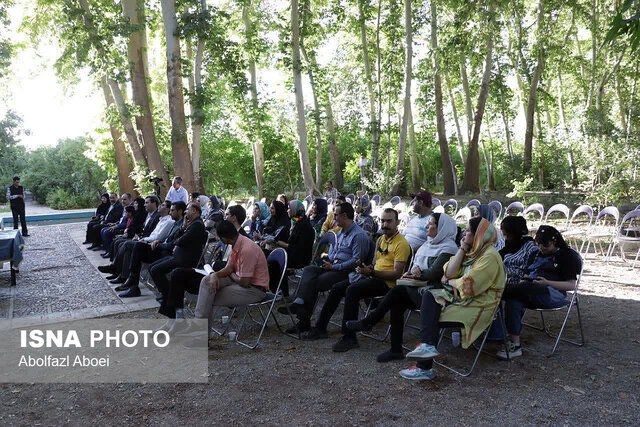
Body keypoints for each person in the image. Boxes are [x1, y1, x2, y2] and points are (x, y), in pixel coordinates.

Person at [398, 217, 505, 380]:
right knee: (429, 295)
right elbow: (448, 272)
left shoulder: (489, 256)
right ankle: (426, 354)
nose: (464, 233)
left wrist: (449, 281)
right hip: (462, 299)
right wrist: (462, 248)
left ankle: (424, 368)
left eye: (468, 230)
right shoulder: (472, 252)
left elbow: (468, 285)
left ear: (479, 235)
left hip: (479, 304)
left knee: (431, 317)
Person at [346, 213, 458, 362]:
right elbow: (416, 268)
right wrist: (412, 274)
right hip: (418, 289)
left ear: (443, 228)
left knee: (397, 292)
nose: (427, 226)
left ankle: (369, 322)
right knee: (397, 300)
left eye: (431, 224)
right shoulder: (428, 244)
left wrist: (418, 273)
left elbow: (433, 273)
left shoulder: (449, 248)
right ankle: (395, 349)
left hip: (434, 296)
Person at [303, 208, 410, 353]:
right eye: (383, 221)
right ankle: (321, 327)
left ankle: (349, 337)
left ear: (397, 222)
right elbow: (375, 263)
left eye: (389, 221)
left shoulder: (402, 244)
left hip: (387, 284)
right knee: (337, 288)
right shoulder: (380, 239)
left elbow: (396, 274)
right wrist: (366, 269)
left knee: (352, 290)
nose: (385, 224)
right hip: (374, 276)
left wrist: (372, 272)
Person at [169, 220, 269, 341]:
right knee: (207, 281)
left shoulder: (247, 249)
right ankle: (198, 326)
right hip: (239, 280)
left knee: (208, 296)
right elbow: (230, 267)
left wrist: (231, 274)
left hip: (254, 289)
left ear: (223, 238)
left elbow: (244, 282)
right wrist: (215, 275)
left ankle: (201, 337)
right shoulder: (237, 241)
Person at [277, 202, 369, 333]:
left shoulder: (358, 235)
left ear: (344, 215)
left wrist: (335, 266)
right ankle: (299, 303)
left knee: (315, 282)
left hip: (346, 271)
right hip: (333, 265)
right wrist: (328, 258)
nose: (334, 218)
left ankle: (303, 319)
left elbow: (356, 261)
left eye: (336, 215)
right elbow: (335, 251)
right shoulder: (341, 232)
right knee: (309, 270)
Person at [497, 225, 580, 359]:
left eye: (545, 245)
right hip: (529, 290)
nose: (541, 248)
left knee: (515, 291)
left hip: (552, 293)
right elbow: (526, 275)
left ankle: (496, 292)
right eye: (539, 244)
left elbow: (571, 285)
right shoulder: (535, 253)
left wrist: (547, 283)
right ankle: (515, 345)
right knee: (513, 301)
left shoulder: (566, 255)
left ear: (554, 242)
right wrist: (524, 280)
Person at [160, 206, 250, 321]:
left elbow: (239, 269)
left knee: (183, 280)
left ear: (234, 218)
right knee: (177, 273)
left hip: (224, 278)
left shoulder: (244, 240)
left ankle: (176, 321)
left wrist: (216, 267)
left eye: (227, 214)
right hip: (215, 273)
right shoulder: (226, 235)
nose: (224, 217)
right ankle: (177, 317)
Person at [102, 201, 186, 292]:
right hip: (156, 246)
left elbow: (170, 243)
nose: (170, 213)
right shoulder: (174, 222)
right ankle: (128, 279)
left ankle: (126, 277)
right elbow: (163, 238)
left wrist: (156, 243)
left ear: (180, 211)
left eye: (172, 210)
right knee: (132, 246)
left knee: (133, 246)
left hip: (163, 251)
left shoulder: (175, 223)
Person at [141, 202, 208, 300]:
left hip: (184, 259)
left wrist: (177, 240)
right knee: (152, 267)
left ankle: (169, 296)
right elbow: (177, 238)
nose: (185, 212)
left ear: (194, 211)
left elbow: (180, 241)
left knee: (156, 270)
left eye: (187, 209)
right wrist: (183, 228)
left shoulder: (197, 225)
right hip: (178, 256)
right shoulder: (192, 223)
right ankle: (168, 294)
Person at [267, 200, 315, 297]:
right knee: (266, 255)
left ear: (296, 210)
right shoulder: (296, 222)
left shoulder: (304, 226)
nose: (288, 211)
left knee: (274, 261)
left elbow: (299, 247)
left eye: (290, 209)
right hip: (292, 253)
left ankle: (282, 292)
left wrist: (283, 244)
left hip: (300, 257)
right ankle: (275, 288)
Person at [500, 216, 538, 288]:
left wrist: (510, 273)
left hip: (518, 287)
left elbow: (529, 271)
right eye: (504, 235)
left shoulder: (530, 247)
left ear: (515, 233)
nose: (506, 238)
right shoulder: (508, 246)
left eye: (508, 235)